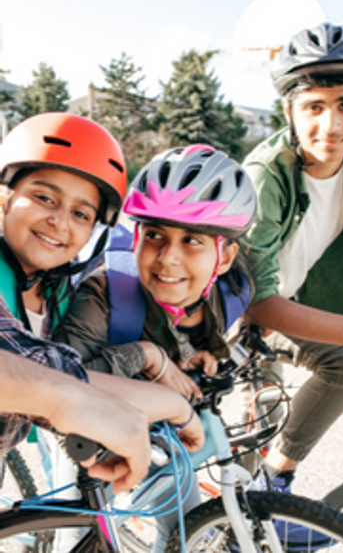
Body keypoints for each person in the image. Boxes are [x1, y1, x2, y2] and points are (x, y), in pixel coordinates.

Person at [52, 143, 257, 552]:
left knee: (183, 531)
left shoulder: (234, 291)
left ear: (226, 256)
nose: (168, 259)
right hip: (84, 421)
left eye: (193, 241)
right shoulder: (105, 296)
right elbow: (56, 381)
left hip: (162, 423)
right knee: (79, 534)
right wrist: (149, 357)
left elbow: (213, 337)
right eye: (155, 235)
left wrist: (206, 354)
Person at [0, 113, 204, 498]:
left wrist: (173, 393)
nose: (60, 222)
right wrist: (165, 398)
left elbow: (56, 374)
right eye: (44, 197)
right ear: (4, 199)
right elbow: (30, 367)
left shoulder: (56, 292)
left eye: (81, 214)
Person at [242, 22, 343, 493]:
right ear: (289, 111)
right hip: (236, 317)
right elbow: (256, 303)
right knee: (246, 440)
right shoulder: (266, 176)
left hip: (294, 306)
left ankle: (273, 482)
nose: (332, 126)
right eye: (314, 108)